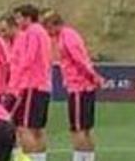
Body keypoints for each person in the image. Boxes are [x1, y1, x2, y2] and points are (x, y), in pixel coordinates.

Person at [45, 12, 102, 161]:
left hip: (78, 87)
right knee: (85, 129)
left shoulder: (67, 37)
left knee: (78, 129)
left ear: (55, 25)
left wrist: (93, 76)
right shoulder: (67, 36)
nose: (47, 33)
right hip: (83, 86)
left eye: (48, 28)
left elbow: (80, 60)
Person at [8, 4, 52, 161]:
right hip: (43, 85)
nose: (17, 22)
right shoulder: (43, 33)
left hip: (31, 85)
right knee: (37, 129)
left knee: (24, 128)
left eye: (19, 18)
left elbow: (29, 58)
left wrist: (16, 81)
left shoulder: (32, 32)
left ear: (27, 18)